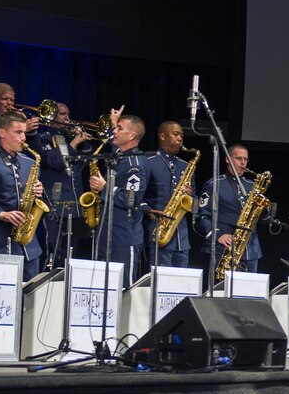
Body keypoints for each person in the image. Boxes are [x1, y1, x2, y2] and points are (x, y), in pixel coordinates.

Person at [0, 111, 45, 280]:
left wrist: (39, 193)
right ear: (2, 133)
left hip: (29, 249)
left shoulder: (30, 163)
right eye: (18, 132)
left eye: (24, 133)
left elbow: (41, 205)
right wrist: (1, 215)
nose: (24, 138)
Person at [86, 112, 153, 287]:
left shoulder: (135, 164)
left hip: (124, 236)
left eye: (119, 129)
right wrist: (113, 123)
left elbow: (132, 199)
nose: (115, 132)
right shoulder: (120, 155)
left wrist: (104, 187)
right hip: (108, 231)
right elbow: (113, 143)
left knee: (124, 287)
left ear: (132, 135)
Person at [194, 143, 268, 275]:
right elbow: (202, 217)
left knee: (250, 293)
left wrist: (264, 211)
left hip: (251, 250)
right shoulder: (214, 184)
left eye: (245, 159)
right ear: (228, 159)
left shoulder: (252, 186)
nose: (243, 163)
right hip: (223, 248)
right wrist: (218, 236)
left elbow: (263, 219)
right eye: (239, 158)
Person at [37, 102, 94, 266]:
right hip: (55, 206)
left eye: (68, 114)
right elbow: (54, 162)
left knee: (71, 256)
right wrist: (75, 143)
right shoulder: (45, 138)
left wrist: (84, 141)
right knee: (53, 254)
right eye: (63, 114)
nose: (67, 118)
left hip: (75, 207)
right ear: (52, 116)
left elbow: (87, 159)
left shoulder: (70, 139)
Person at [142, 120, 193, 270]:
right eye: (176, 134)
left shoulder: (186, 166)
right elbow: (137, 196)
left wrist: (190, 197)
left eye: (182, 136)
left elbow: (194, 203)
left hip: (182, 239)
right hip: (157, 233)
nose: (180, 139)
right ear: (163, 136)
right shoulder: (148, 161)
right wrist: (149, 212)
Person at [0, 83, 39, 157]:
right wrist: (22, 129)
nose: (9, 103)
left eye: (12, 100)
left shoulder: (17, 121)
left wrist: (31, 131)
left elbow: (37, 150)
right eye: (4, 99)